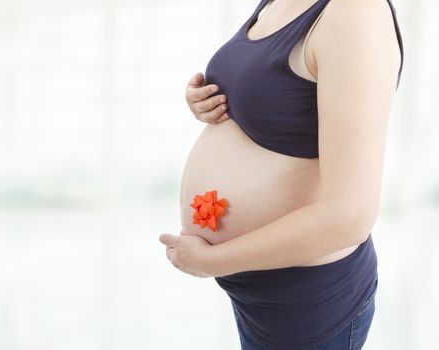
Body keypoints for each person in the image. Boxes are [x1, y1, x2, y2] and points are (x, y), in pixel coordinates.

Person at [159, 0, 404, 348]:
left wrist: (211, 260)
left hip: (307, 306)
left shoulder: (356, 11)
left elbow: (350, 216)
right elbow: (275, 94)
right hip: (261, 295)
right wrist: (206, 99)